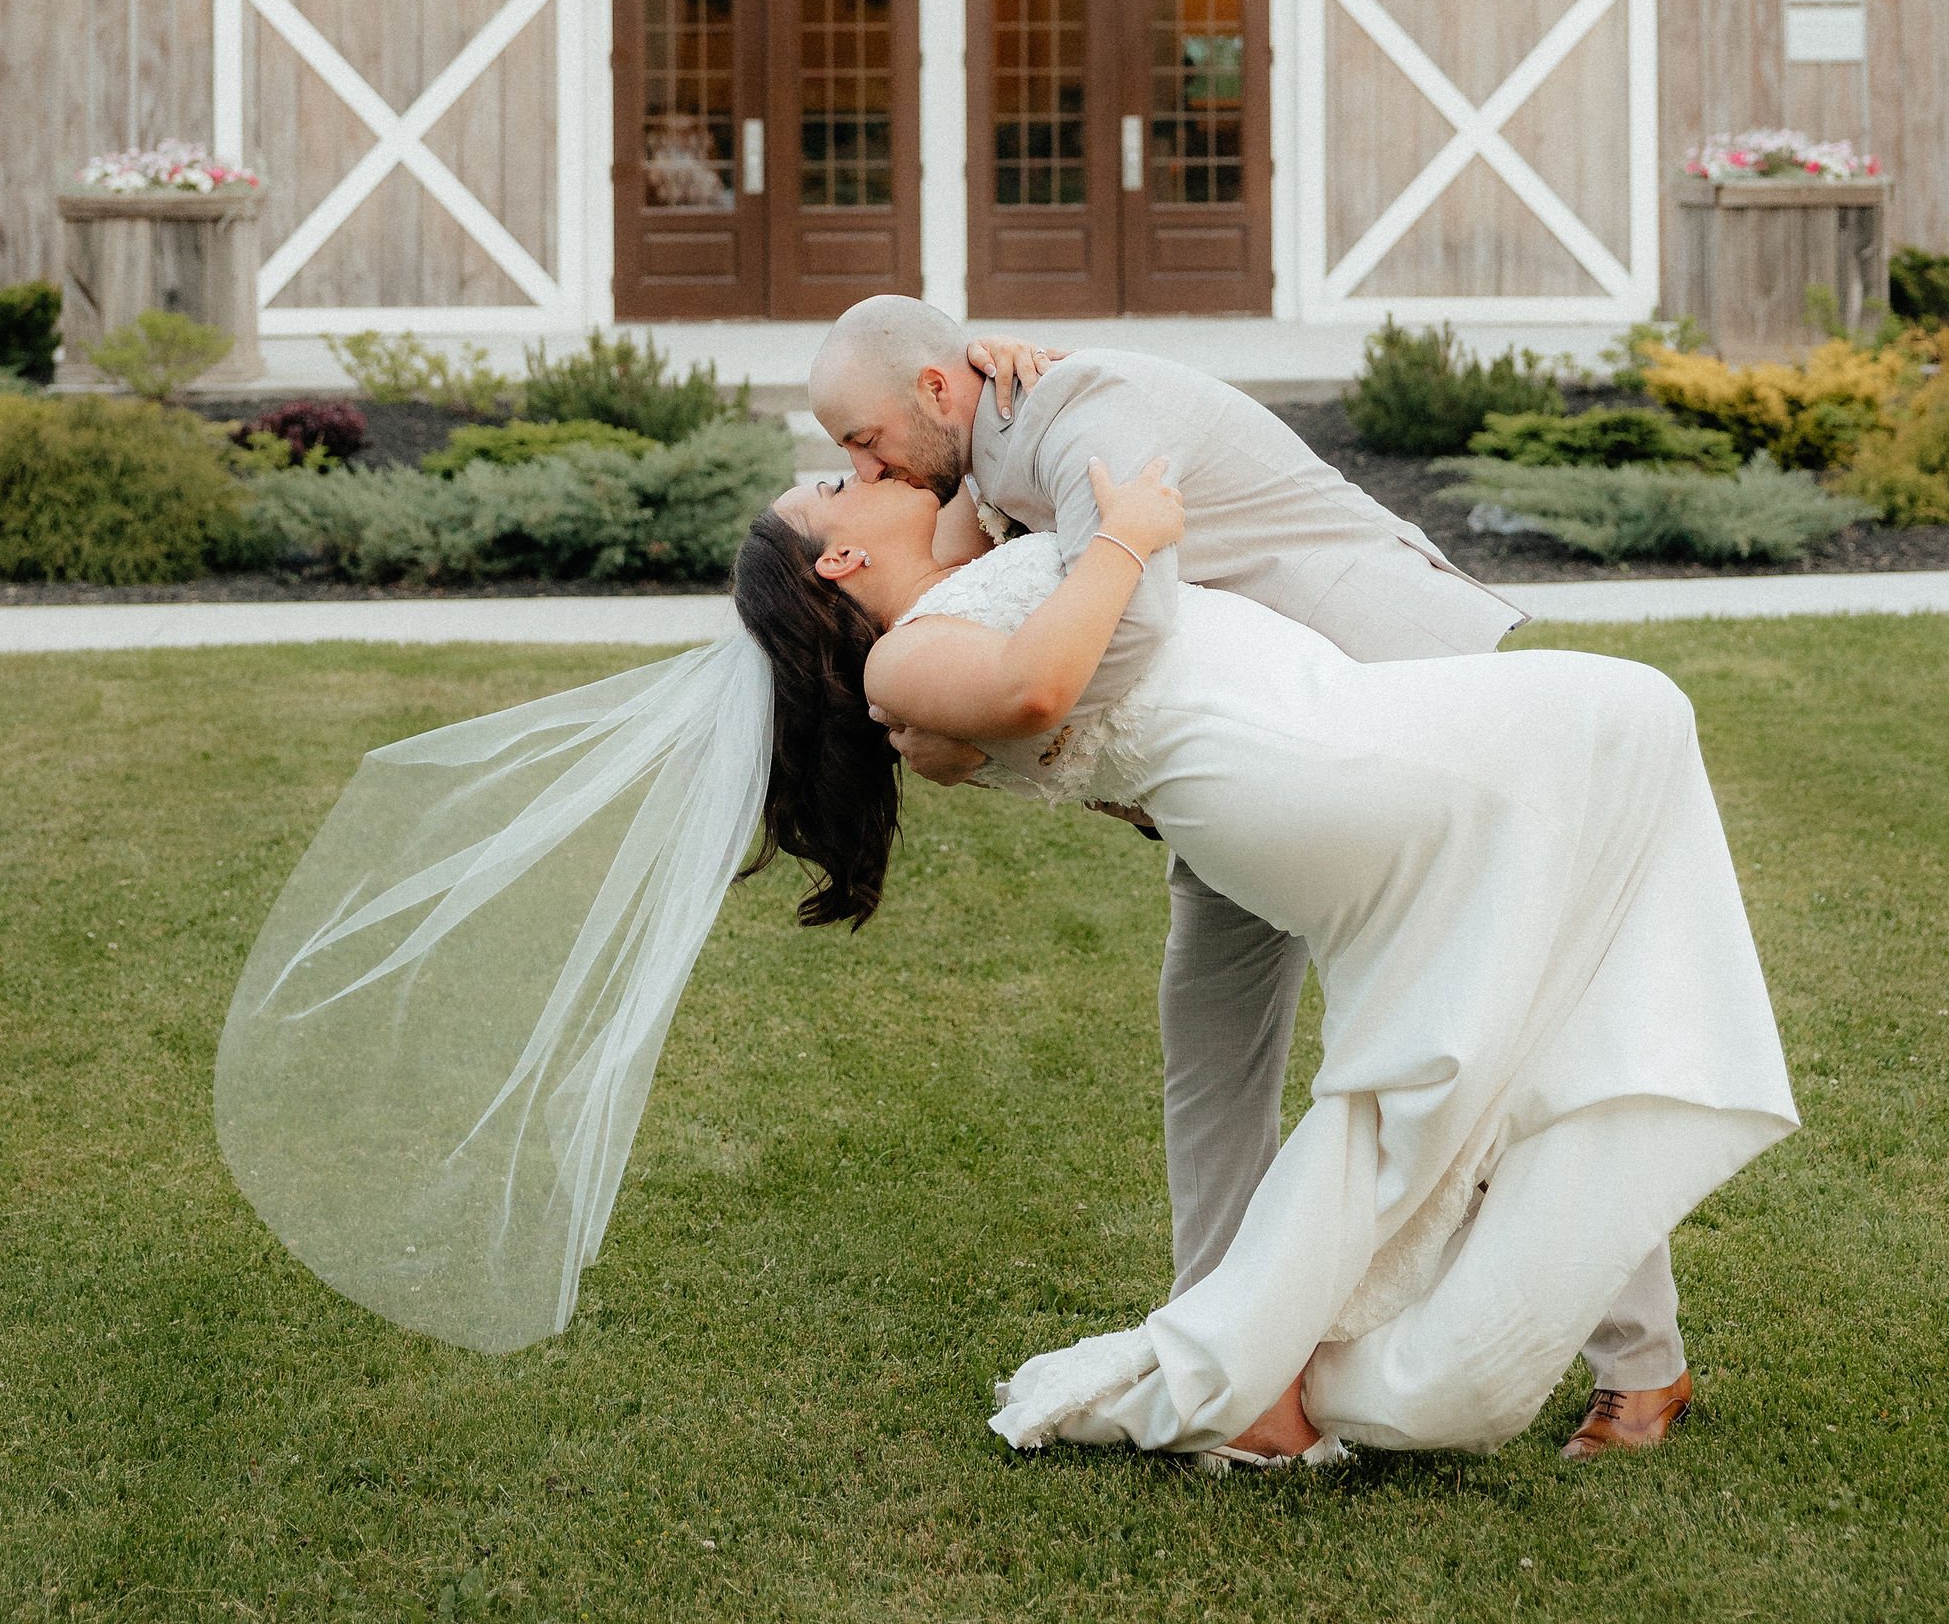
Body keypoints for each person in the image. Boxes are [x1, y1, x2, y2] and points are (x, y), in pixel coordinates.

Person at [734, 452, 1795, 1462]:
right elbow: (1032, 694)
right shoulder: (904, 657)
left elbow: (967, 447)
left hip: (1277, 764)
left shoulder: (956, 580)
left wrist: (991, 371)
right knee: (1612, 745)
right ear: (837, 561)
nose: (861, 468)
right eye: (836, 483)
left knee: (1505, 1016)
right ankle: (1291, 1369)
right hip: (1290, 771)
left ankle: (1316, 1366)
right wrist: (1131, 534)